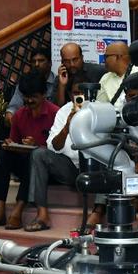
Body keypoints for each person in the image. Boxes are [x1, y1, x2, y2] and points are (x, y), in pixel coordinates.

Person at [0, 74, 57, 230]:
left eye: (33, 97)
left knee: (33, 158)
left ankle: (17, 211)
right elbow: (14, 140)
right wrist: (11, 144)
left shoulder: (55, 113)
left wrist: (38, 145)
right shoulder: (20, 114)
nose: (29, 101)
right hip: (23, 160)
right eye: (26, 97)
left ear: (43, 95)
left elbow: (59, 150)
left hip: (47, 168)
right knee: (3, 155)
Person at [24, 78, 85, 232]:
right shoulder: (64, 111)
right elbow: (53, 146)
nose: (80, 96)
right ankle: (42, 214)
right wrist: (66, 128)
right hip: (70, 167)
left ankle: (97, 214)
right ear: (70, 94)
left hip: (94, 167)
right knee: (39, 154)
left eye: (83, 92)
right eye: (76, 93)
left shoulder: (99, 109)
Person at [6, 47, 56, 120]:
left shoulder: (58, 81)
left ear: (50, 63)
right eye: (33, 61)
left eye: (41, 61)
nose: (36, 64)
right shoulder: (26, 81)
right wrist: (10, 115)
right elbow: (13, 108)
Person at [96, 41, 135, 109]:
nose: (104, 60)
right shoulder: (105, 78)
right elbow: (100, 107)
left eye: (106, 56)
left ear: (118, 57)